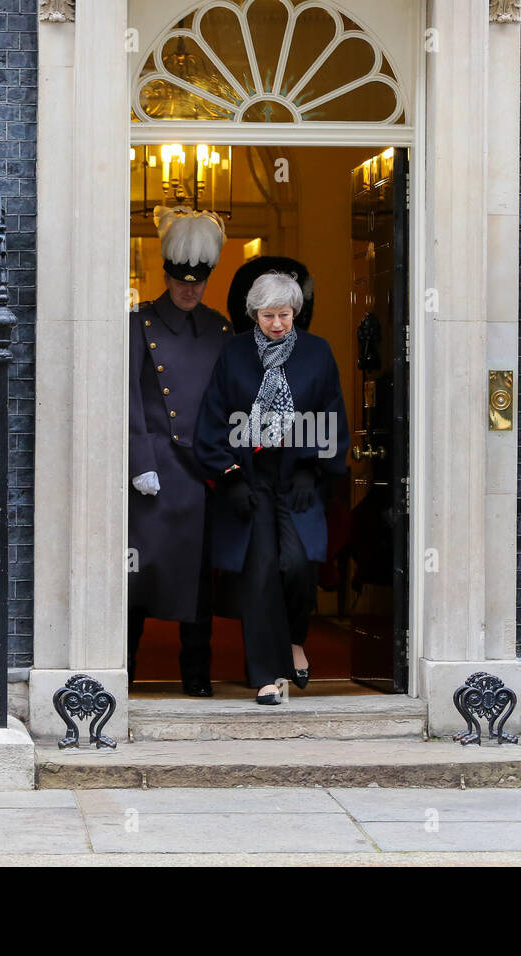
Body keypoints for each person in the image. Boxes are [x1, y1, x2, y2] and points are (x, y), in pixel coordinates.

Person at [194, 272, 350, 705]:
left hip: (296, 474)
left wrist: (312, 470)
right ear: (254, 314)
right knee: (260, 574)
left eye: (284, 315)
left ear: (295, 313)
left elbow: (331, 413)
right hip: (251, 475)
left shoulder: (317, 353)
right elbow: (213, 416)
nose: (277, 324)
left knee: (298, 565)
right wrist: (230, 475)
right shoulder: (234, 353)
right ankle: (266, 676)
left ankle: (295, 638)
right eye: (268, 316)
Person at [128, 206, 234, 696]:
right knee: (138, 579)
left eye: (198, 281)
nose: (189, 289)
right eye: (181, 280)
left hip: (202, 471)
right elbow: (128, 397)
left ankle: (197, 677)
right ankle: (122, 675)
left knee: (199, 583)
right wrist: (139, 462)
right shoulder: (138, 326)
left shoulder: (219, 329)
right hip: (155, 470)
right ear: (167, 275)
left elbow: (230, 400)